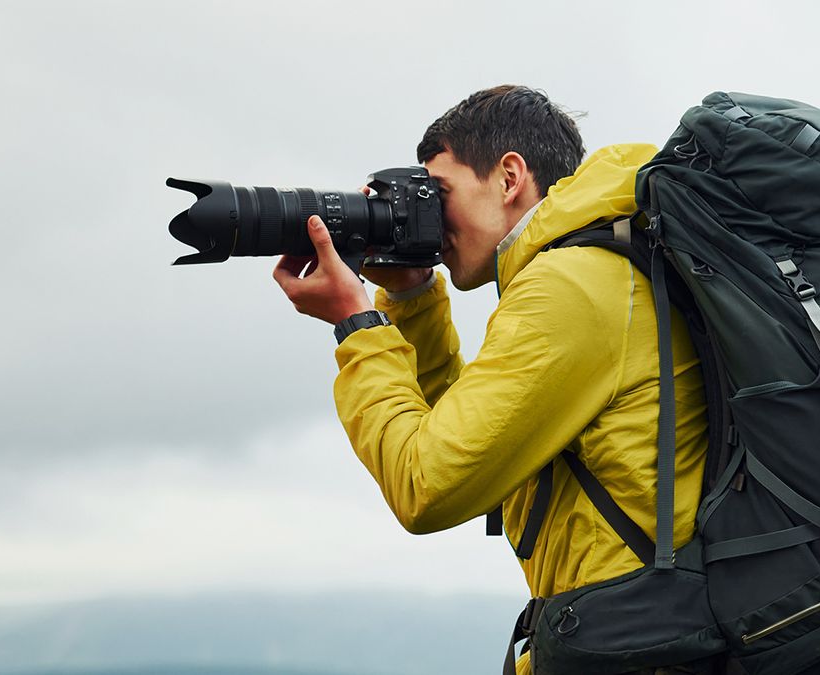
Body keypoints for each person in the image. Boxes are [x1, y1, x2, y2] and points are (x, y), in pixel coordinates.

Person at [273, 85, 709, 674]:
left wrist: (357, 326)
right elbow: (472, 433)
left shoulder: (571, 287)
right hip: (642, 637)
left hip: (644, 647)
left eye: (440, 193)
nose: (431, 216)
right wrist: (410, 295)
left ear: (509, 178)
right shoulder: (600, 264)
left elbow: (427, 483)